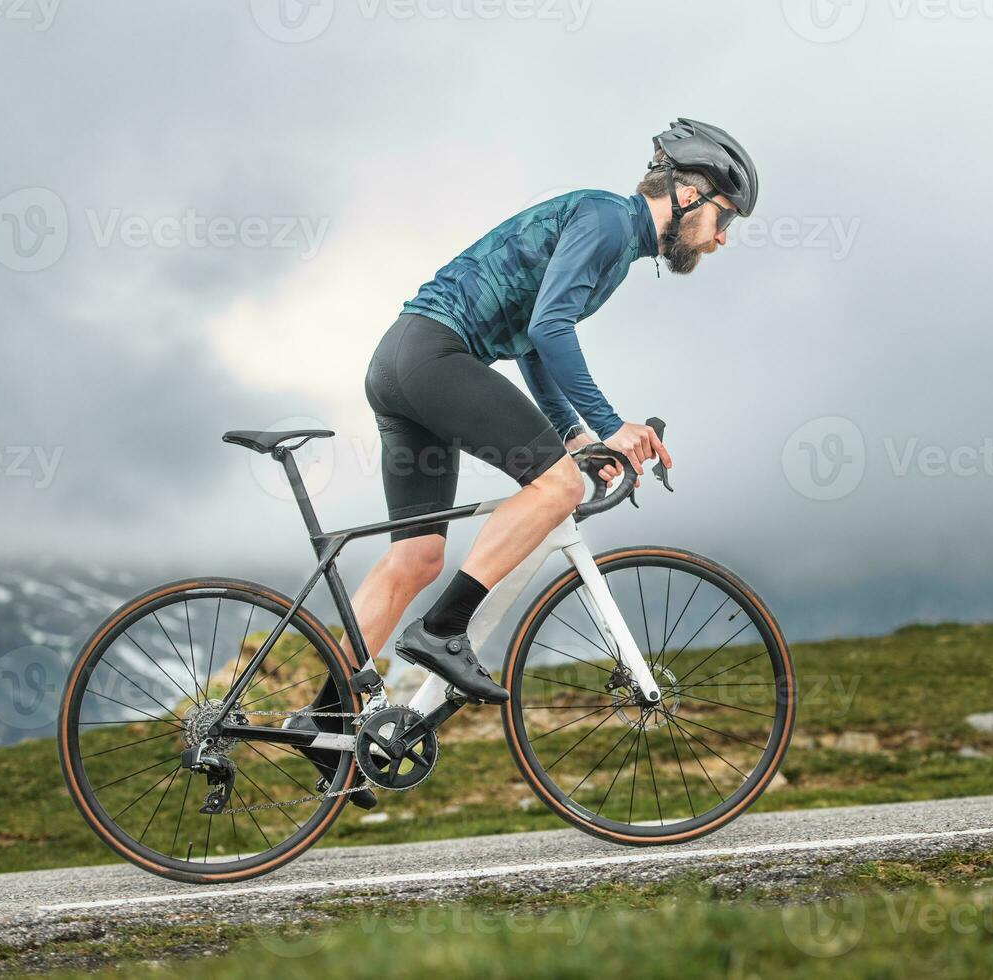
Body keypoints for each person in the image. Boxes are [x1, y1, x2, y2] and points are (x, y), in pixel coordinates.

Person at [292, 119, 758, 806]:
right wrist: (610, 428)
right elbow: (547, 329)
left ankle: (326, 718)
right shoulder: (606, 219)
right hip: (434, 355)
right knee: (558, 488)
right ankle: (444, 632)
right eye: (725, 219)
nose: (721, 239)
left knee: (417, 558)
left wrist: (572, 433)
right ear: (689, 193)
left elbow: (535, 343)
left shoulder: (609, 240)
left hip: (400, 362)